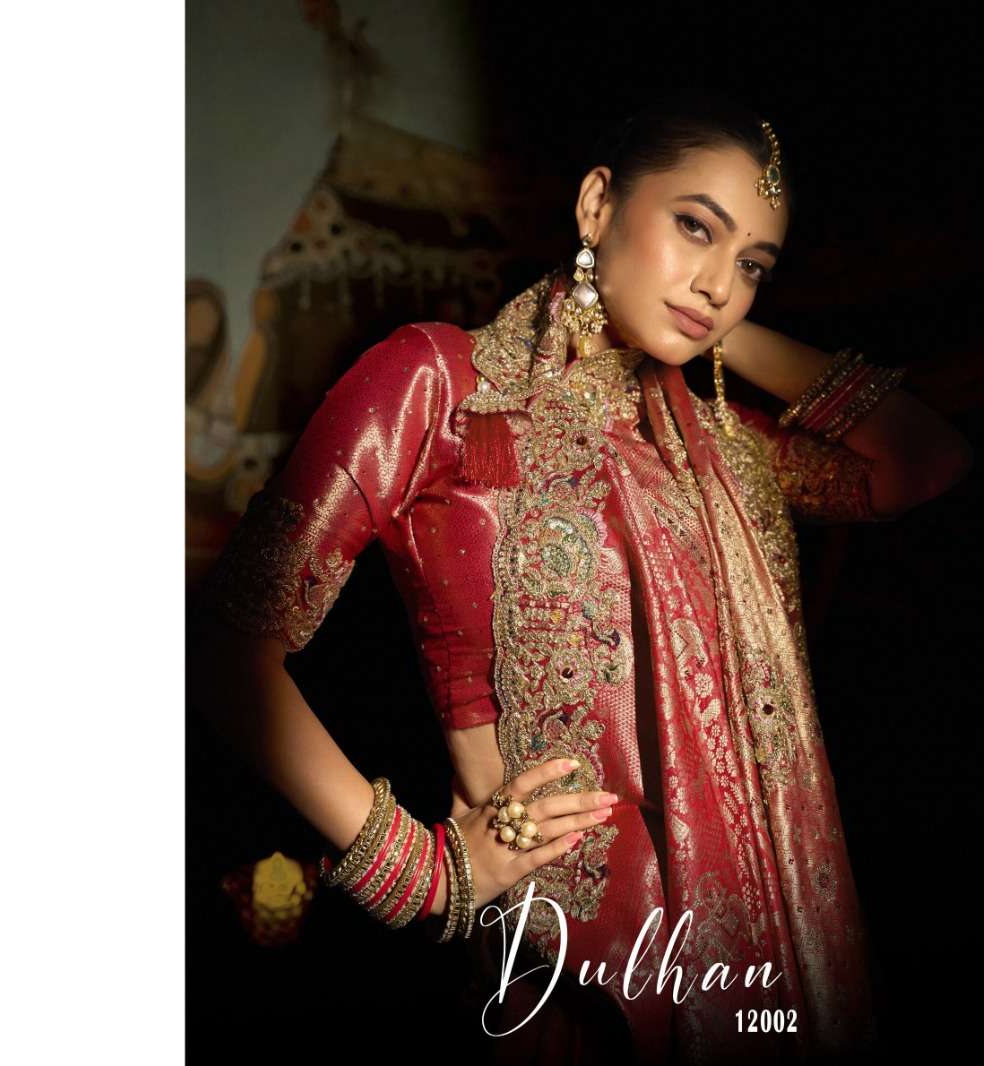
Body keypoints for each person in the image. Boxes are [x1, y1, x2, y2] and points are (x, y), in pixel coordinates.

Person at [188, 91, 973, 1065]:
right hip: (575, 963)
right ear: (597, 204)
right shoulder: (445, 388)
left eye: (752, 266)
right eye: (696, 228)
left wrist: (711, 327)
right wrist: (423, 872)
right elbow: (223, 647)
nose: (718, 281)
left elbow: (921, 459)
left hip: (750, 957)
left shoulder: (718, 451)